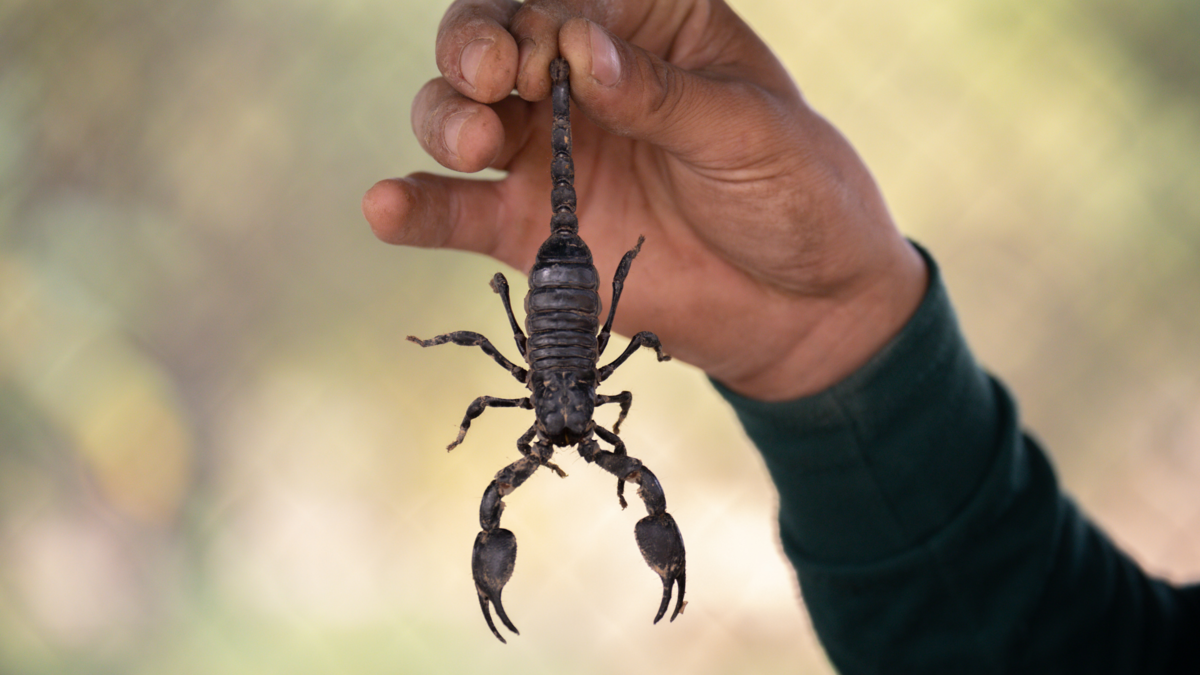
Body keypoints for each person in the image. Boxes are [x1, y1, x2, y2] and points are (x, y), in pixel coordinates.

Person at [361, 0, 1199, 670]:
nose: (576, 443)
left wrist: (824, 344)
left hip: (558, 304)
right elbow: (1077, 647)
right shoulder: (597, 407)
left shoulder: (548, 421)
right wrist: (834, 341)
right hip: (575, 304)